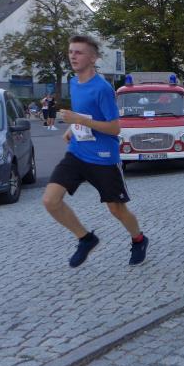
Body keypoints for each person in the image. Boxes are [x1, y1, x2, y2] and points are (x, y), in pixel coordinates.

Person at [42, 35, 149, 268]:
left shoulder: (103, 89)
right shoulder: (73, 82)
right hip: (77, 152)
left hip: (103, 158)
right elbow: (85, 113)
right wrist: (73, 127)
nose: (73, 56)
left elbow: (114, 128)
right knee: (50, 200)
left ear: (93, 58)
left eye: (79, 52)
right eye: (71, 52)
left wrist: (79, 120)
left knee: (116, 209)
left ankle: (139, 239)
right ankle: (86, 239)